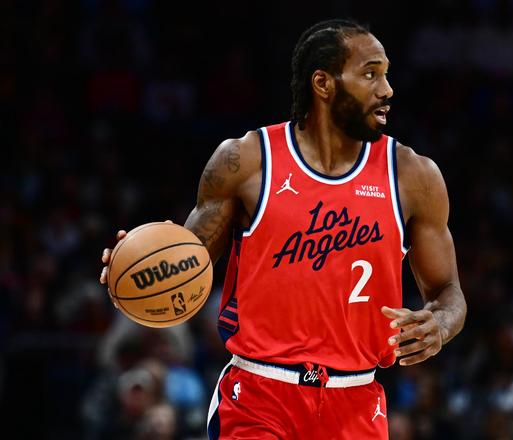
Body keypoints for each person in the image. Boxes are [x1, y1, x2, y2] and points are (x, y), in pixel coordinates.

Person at [100, 19, 467, 439]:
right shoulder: (246, 162)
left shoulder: (414, 177)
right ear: (323, 83)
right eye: (370, 74)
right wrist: (138, 263)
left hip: (356, 399)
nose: (387, 89)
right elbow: (186, 261)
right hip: (259, 395)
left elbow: (449, 291)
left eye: (386, 74)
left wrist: (439, 325)